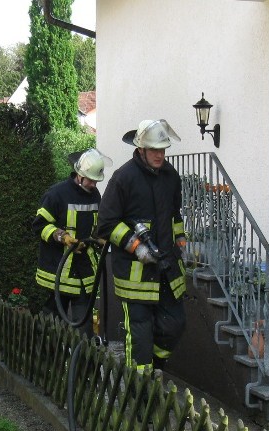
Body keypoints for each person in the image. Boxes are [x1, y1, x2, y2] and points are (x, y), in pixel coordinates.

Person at [97, 119, 188, 373]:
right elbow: (106, 224)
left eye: (162, 150)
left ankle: (156, 366)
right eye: (154, 150)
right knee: (140, 332)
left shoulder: (171, 176)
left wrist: (180, 239)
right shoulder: (123, 178)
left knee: (175, 323)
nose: (160, 155)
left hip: (167, 267)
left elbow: (174, 214)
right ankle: (139, 390)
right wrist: (136, 245)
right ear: (140, 149)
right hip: (135, 273)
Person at [33, 148, 112, 335]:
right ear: (79, 174)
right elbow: (40, 225)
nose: (93, 184)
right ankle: (47, 358)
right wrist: (62, 237)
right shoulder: (56, 194)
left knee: (83, 328)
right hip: (58, 272)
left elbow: (96, 223)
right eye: (90, 180)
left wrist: (99, 237)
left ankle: (79, 361)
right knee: (51, 325)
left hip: (83, 271)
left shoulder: (94, 195)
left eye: (96, 180)